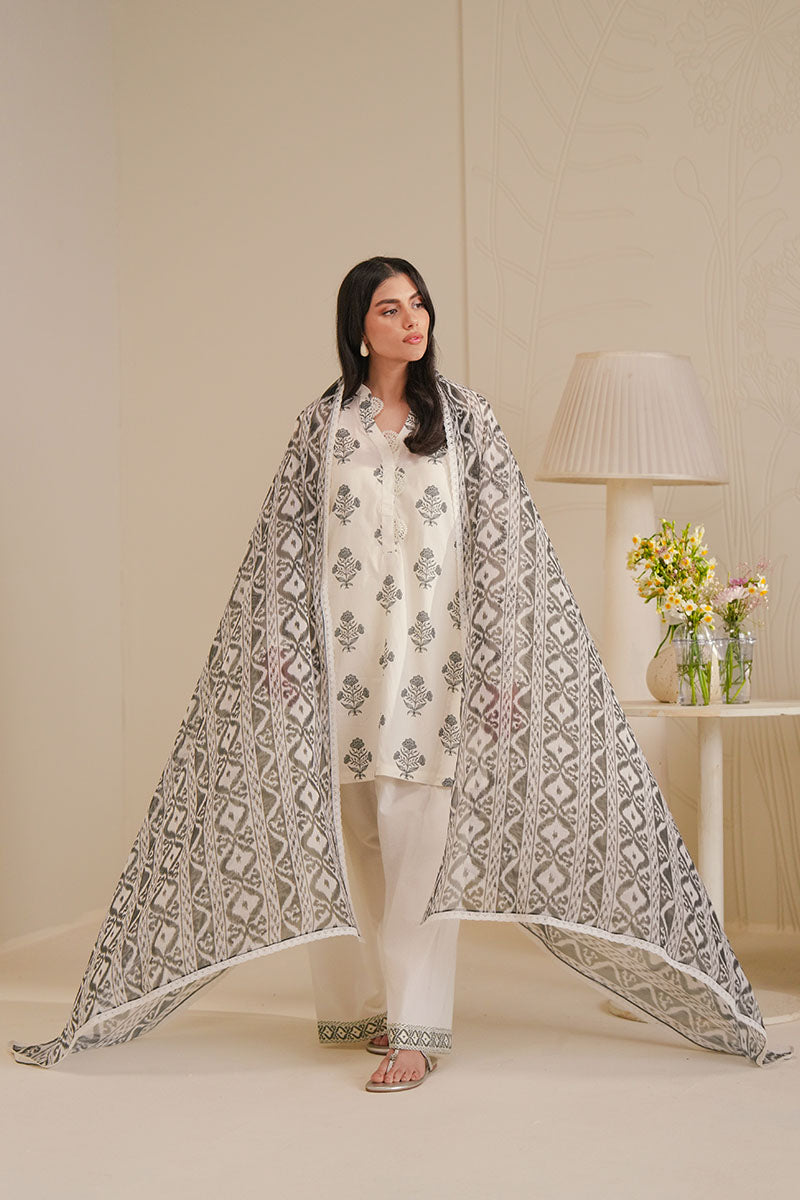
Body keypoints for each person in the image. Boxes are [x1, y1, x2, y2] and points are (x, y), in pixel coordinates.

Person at [10, 257, 792, 1078]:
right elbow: (283, 548)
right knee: (349, 840)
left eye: (418, 304)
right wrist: (277, 654)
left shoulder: (466, 420)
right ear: (359, 327)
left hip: (435, 664)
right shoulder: (321, 427)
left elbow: (506, 550)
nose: (413, 320)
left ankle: (416, 1032)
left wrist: (505, 664)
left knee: (423, 839)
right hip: (336, 664)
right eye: (391, 308)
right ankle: (365, 1010)